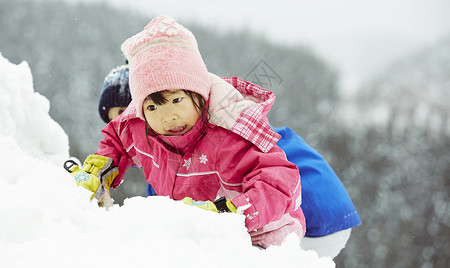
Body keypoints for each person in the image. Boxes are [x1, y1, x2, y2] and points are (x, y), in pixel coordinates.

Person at [70, 15, 305, 249]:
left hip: (261, 235)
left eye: (177, 100)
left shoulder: (229, 131)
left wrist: (229, 212)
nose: (167, 116)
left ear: (198, 92)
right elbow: (117, 139)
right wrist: (100, 169)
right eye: (152, 106)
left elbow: (280, 182)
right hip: (195, 234)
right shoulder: (143, 127)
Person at [97, 52, 361, 258]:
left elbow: (274, 172)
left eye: (126, 113)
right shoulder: (176, 148)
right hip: (306, 206)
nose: (124, 125)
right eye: (113, 120)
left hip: (312, 214)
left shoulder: (222, 138)